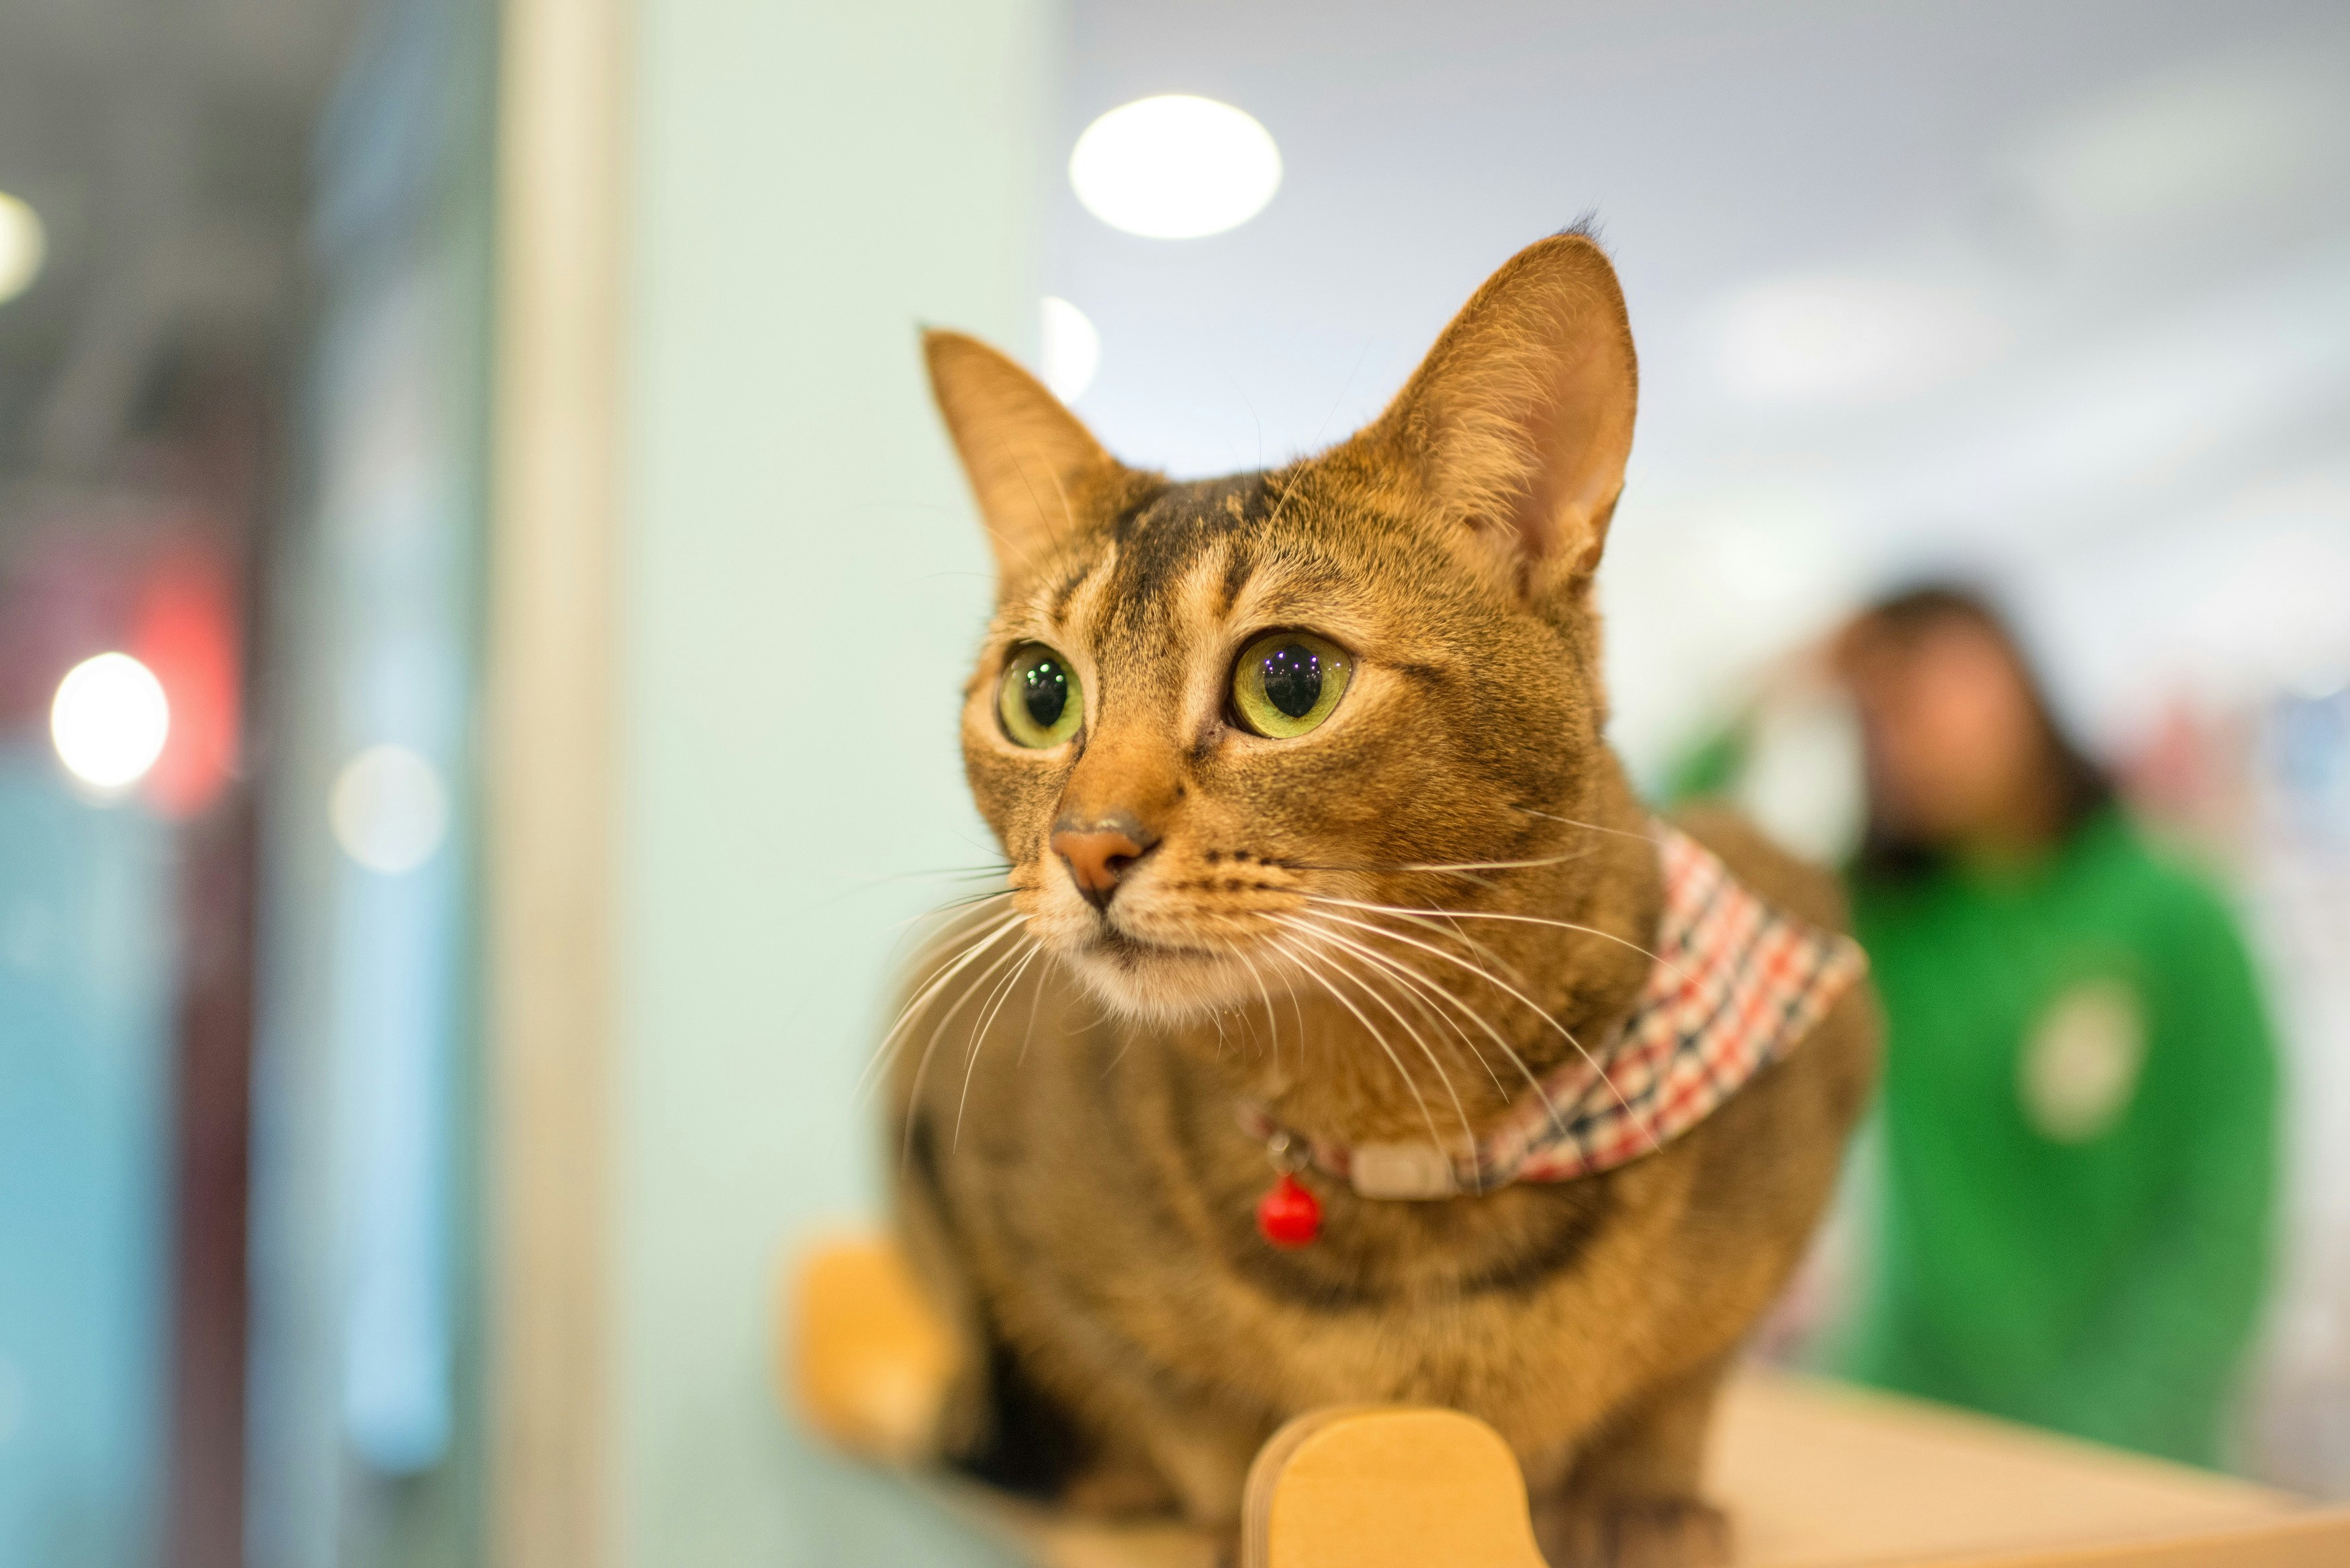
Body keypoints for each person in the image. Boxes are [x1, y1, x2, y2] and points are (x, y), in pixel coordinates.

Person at [1816, 585, 2279, 1467]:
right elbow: (1684, 881)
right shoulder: (1887, 923)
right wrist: (1780, 685)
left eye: (1942, 685)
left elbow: (2225, 1212)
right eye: (1885, 711)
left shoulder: (2175, 913)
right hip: (1904, 1422)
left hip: (2127, 1452)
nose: (1919, 732)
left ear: (2021, 683)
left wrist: (2113, 1440)